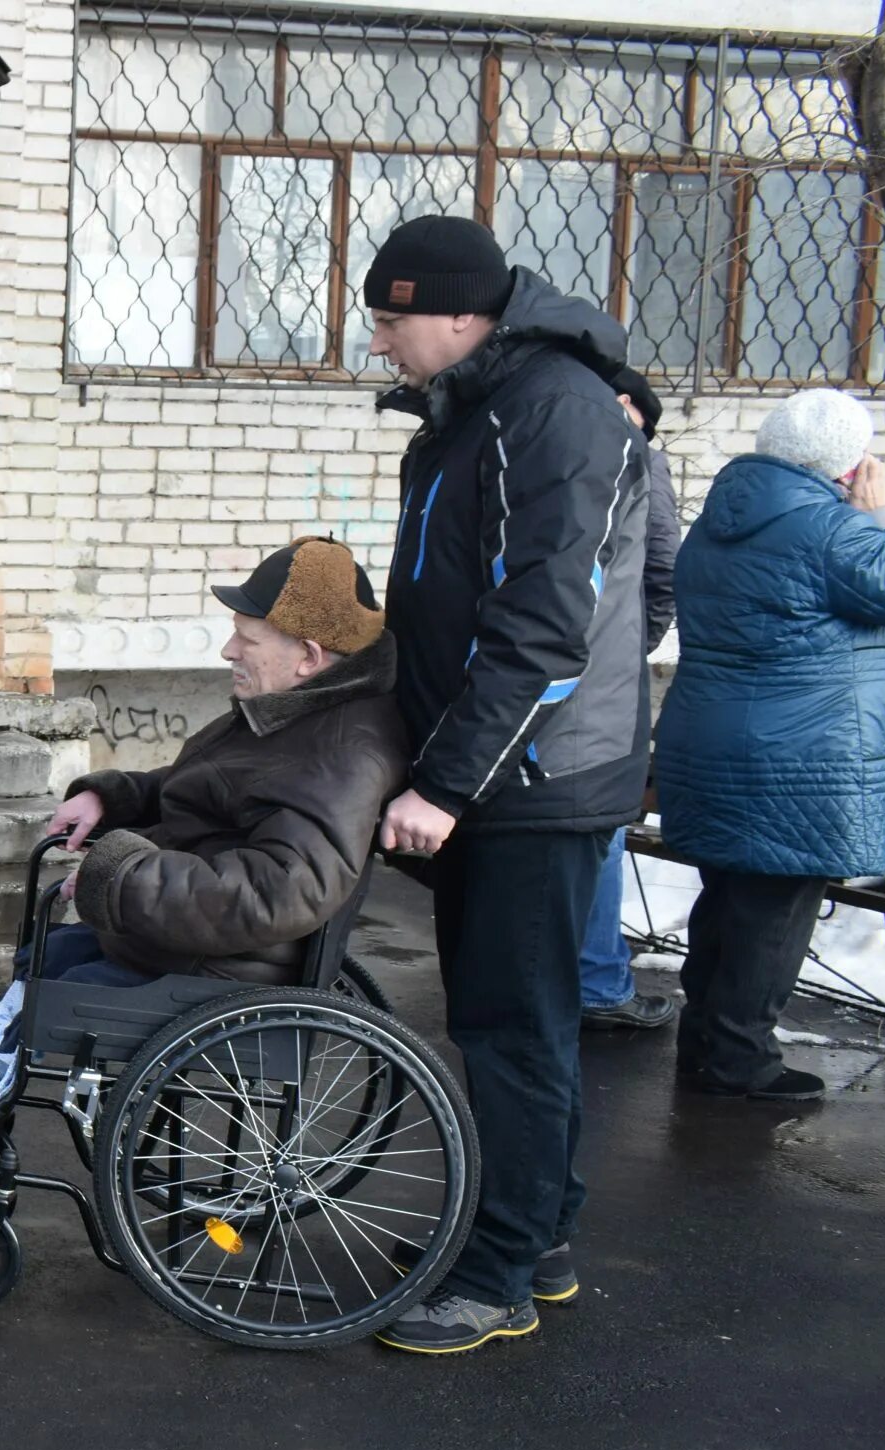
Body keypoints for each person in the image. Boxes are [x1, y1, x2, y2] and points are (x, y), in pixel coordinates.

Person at [362, 216, 652, 1355]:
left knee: (510, 1030)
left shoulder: (552, 411)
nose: (378, 343)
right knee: (512, 1022)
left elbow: (544, 622)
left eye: (389, 321)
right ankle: (533, 1234)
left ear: (458, 315)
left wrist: (450, 779)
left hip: (529, 781)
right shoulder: (478, 409)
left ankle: (495, 1280)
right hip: (506, 767)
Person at [652, 389, 885, 1101]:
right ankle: (741, 1062)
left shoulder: (720, 521)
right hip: (798, 756)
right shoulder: (835, 532)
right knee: (775, 910)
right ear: (844, 465)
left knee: (731, 900)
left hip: (717, 741)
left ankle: (708, 1044)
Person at [38, 536, 407, 984]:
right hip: (175, 943)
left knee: (51, 985)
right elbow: (213, 790)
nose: (229, 650)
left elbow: (276, 892)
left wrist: (120, 879)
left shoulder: (343, 757)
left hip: (210, 970)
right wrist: (112, 798)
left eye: (247, 639)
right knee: (42, 957)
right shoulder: (294, 710)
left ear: (308, 656)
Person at [580, 365, 684, 1032]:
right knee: (599, 826)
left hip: (588, 676)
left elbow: (663, 575)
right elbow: (664, 572)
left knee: (594, 826)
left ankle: (594, 977)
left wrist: (625, 644)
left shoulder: (629, 458)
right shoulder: (634, 458)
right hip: (600, 684)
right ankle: (596, 981)